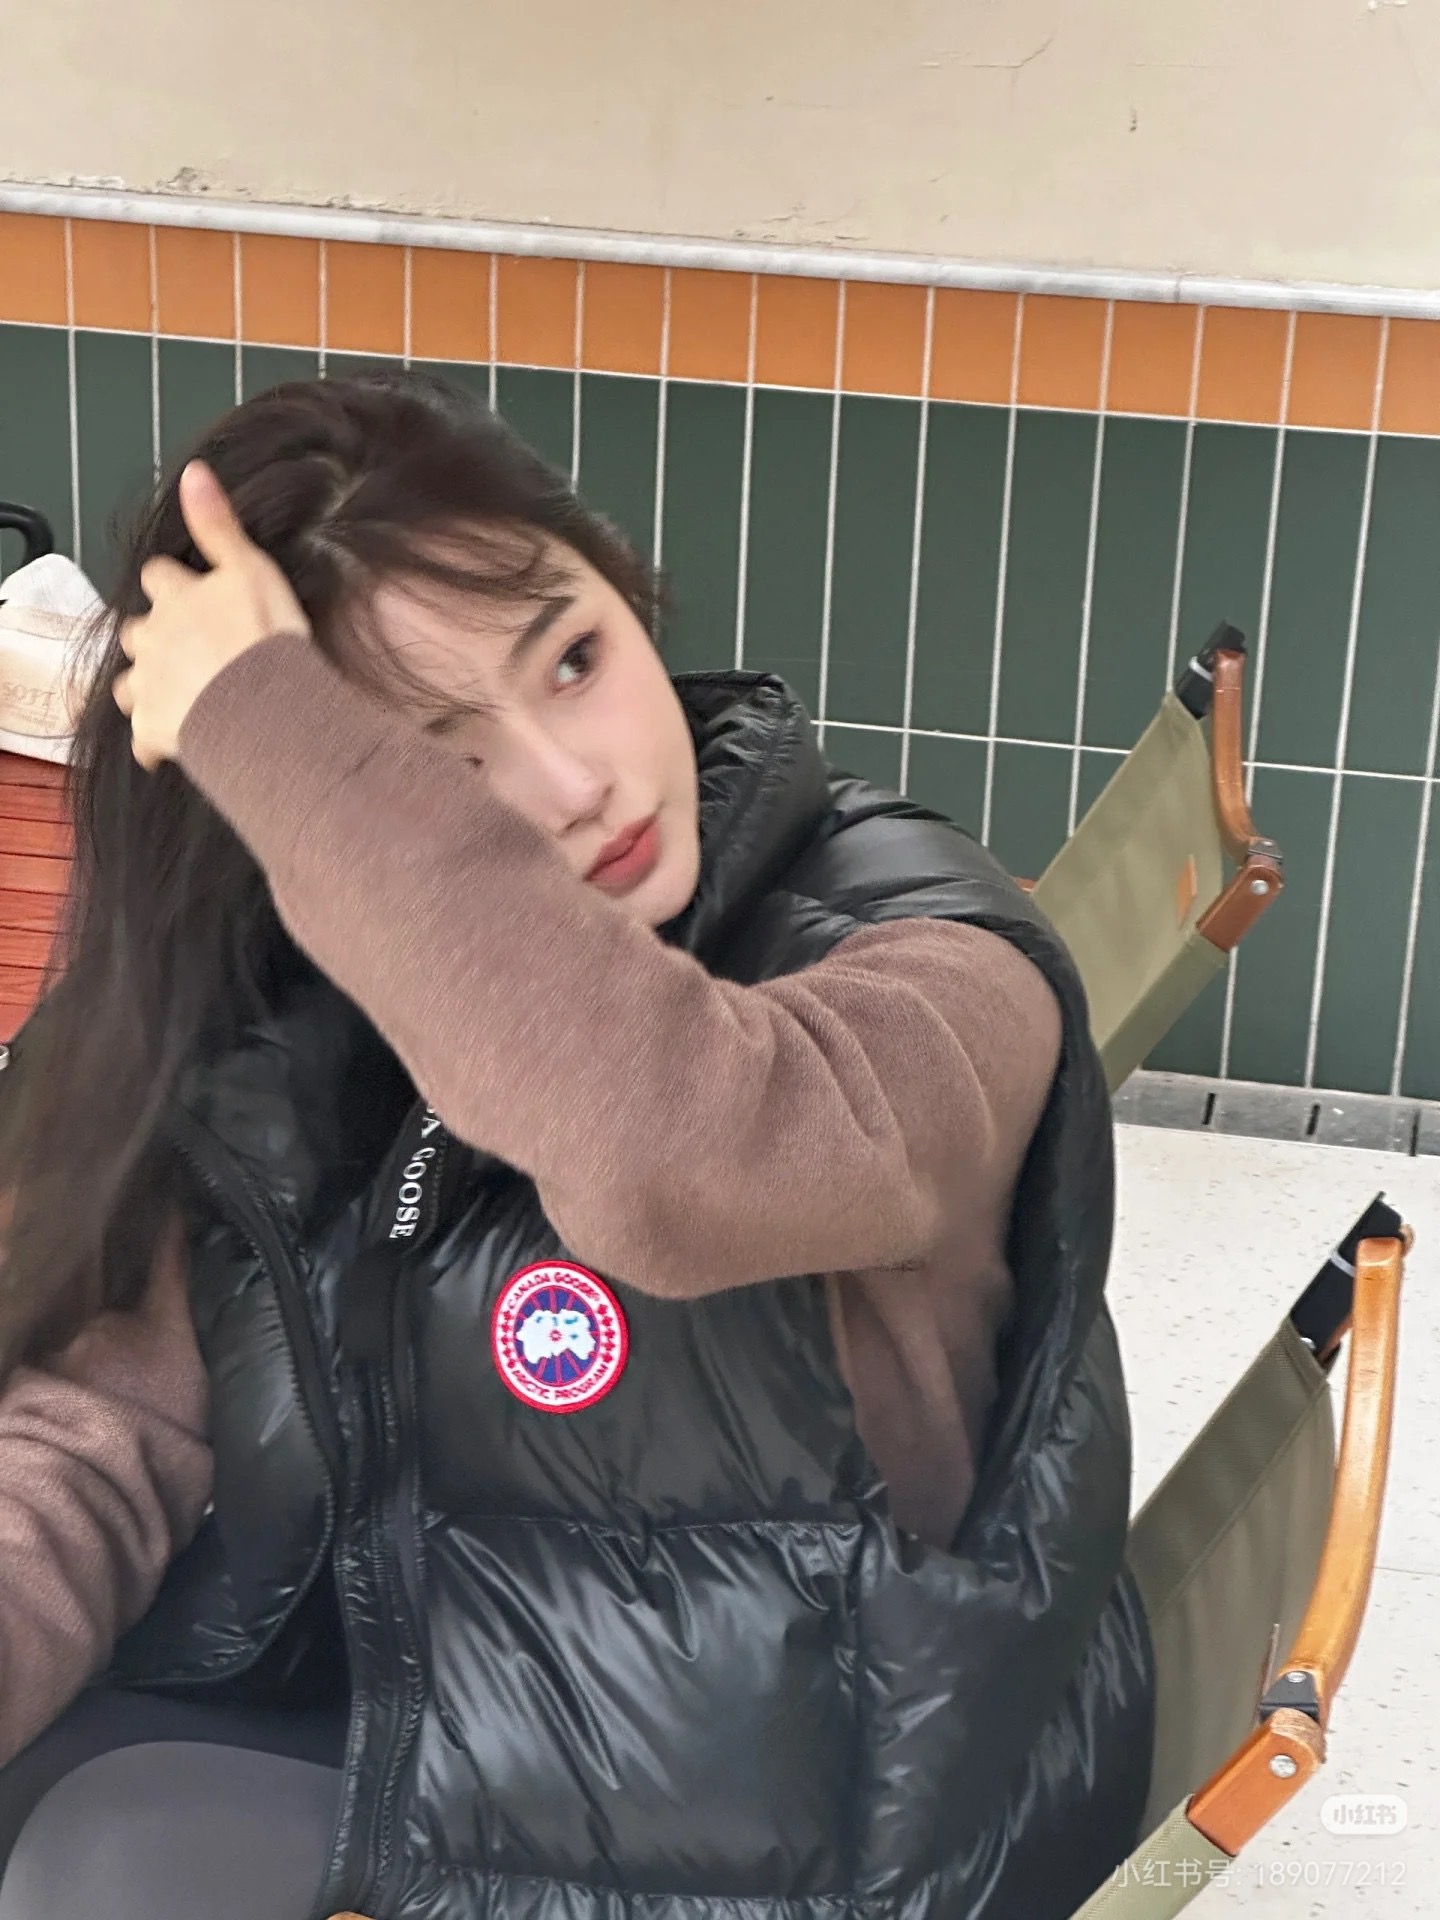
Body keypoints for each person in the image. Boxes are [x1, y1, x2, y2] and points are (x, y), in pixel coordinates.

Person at [0, 371, 1151, 1920]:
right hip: (484, 1718)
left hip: (835, 1821)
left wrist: (271, 723)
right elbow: (112, 1435)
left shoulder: (930, 963)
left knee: (104, 1860)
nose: (573, 784)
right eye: (440, 761)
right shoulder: (320, 1022)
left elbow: (673, 1152)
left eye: (573, 658)